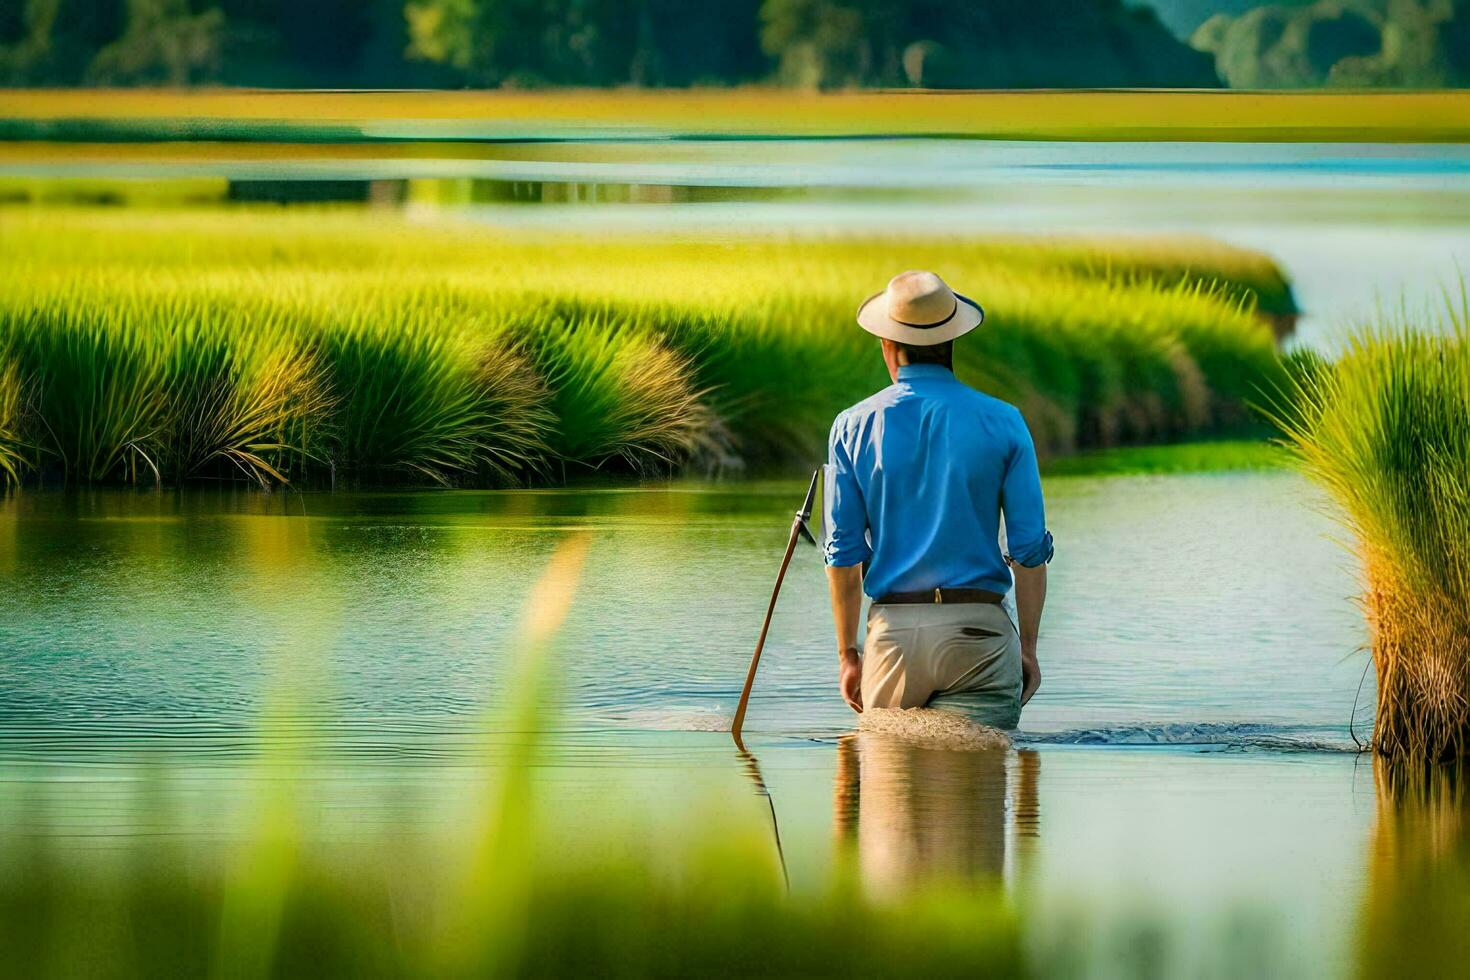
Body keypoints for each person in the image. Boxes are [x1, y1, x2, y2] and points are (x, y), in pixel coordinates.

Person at [823, 270, 1053, 729]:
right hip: (980, 635)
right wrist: (1026, 648)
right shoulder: (1005, 422)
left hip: (894, 638)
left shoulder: (851, 427)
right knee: (979, 786)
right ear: (952, 342)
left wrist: (849, 655)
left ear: (888, 345)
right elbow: (1028, 551)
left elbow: (843, 555)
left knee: (891, 795)